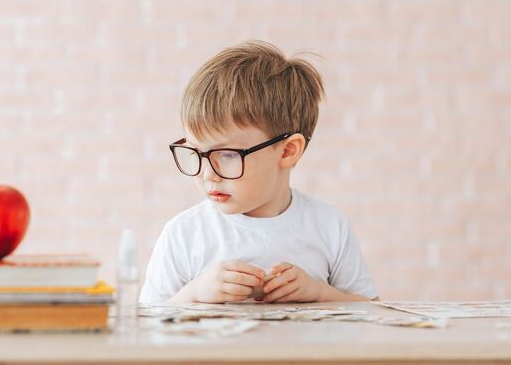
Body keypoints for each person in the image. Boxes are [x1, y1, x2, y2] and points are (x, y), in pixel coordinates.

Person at [139, 41, 378, 304]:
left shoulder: (330, 226)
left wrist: (320, 293)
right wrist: (194, 293)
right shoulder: (183, 233)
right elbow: (149, 326)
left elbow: (372, 313)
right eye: (196, 152)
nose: (208, 174)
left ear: (287, 152)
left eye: (228, 155)